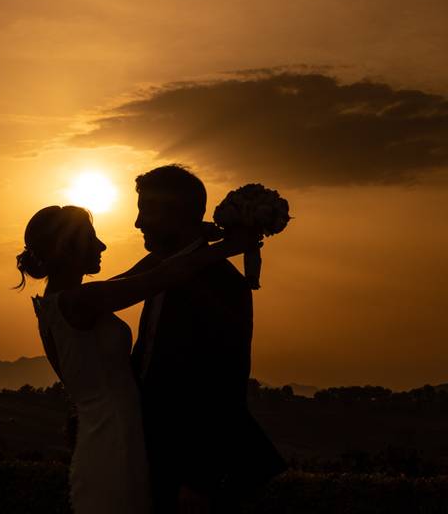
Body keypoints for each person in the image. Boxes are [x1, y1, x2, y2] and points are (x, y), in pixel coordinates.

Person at [17, 204, 259, 514]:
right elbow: (163, 275)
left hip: (103, 430)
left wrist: (195, 235)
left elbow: (146, 270)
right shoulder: (81, 301)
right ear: (67, 248)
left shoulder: (64, 301)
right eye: (92, 237)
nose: (102, 245)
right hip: (114, 432)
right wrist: (230, 247)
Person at [127, 165, 286, 513]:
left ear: (178, 213)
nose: (138, 223)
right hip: (153, 459)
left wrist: (199, 480)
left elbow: (224, 384)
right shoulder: (159, 273)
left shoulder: (222, 283)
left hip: (190, 475)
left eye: (146, 210)